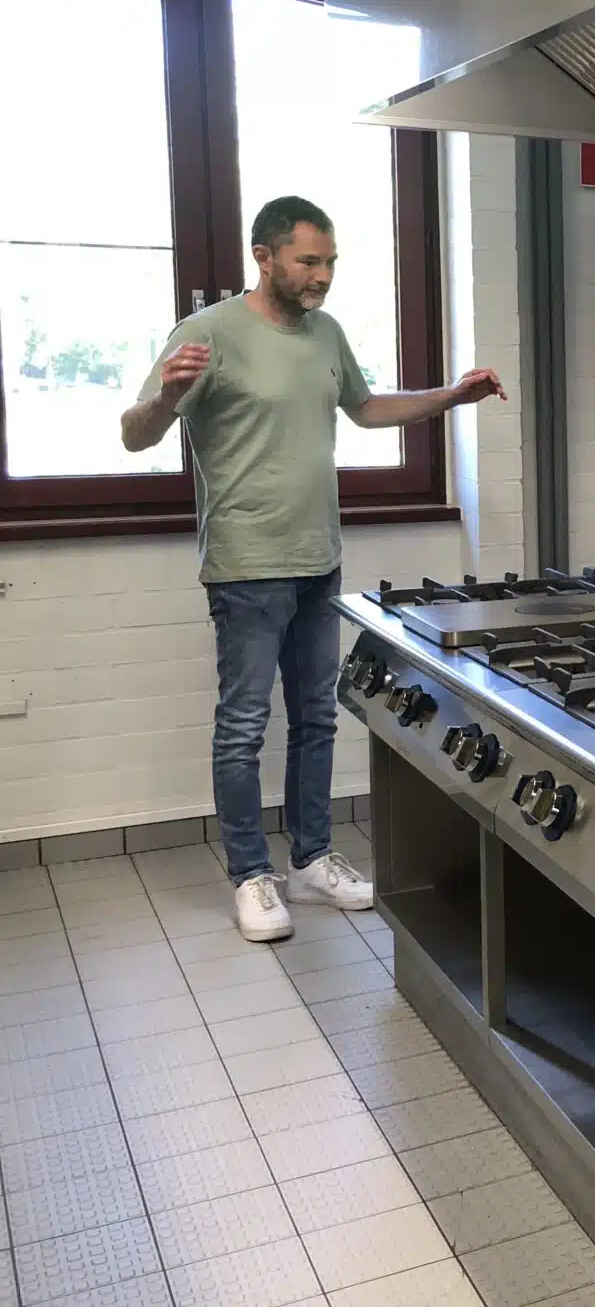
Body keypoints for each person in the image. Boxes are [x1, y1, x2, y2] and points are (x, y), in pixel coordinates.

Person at [121, 196, 504, 942]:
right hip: (245, 567)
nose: (322, 275)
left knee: (318, 718)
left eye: (329, 262)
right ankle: (249, 875)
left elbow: (367, 408)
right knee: (242, 726)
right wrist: (167, 398)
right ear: (263, 256)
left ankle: (311, 859)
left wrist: (452, 397)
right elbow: (136, 436)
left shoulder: (325, 333)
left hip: (318, 561)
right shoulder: (208, 333)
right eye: (308, 261)